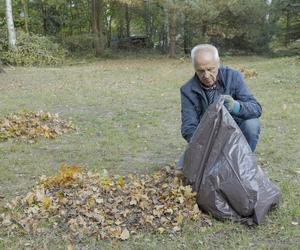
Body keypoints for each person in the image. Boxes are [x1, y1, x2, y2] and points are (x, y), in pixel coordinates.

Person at [177, 44, 262, 168]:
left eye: (210, 69)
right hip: (208, 137)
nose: (206, 75)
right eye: (200, 71)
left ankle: (243, 165)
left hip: (234, 132)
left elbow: (256, 108)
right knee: (185, 169)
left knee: (252, 124)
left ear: (218, 63)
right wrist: (203, 145)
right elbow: (188, 127)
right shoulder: (187, 90)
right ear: (194, 67)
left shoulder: (233, 76)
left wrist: (236, 107)